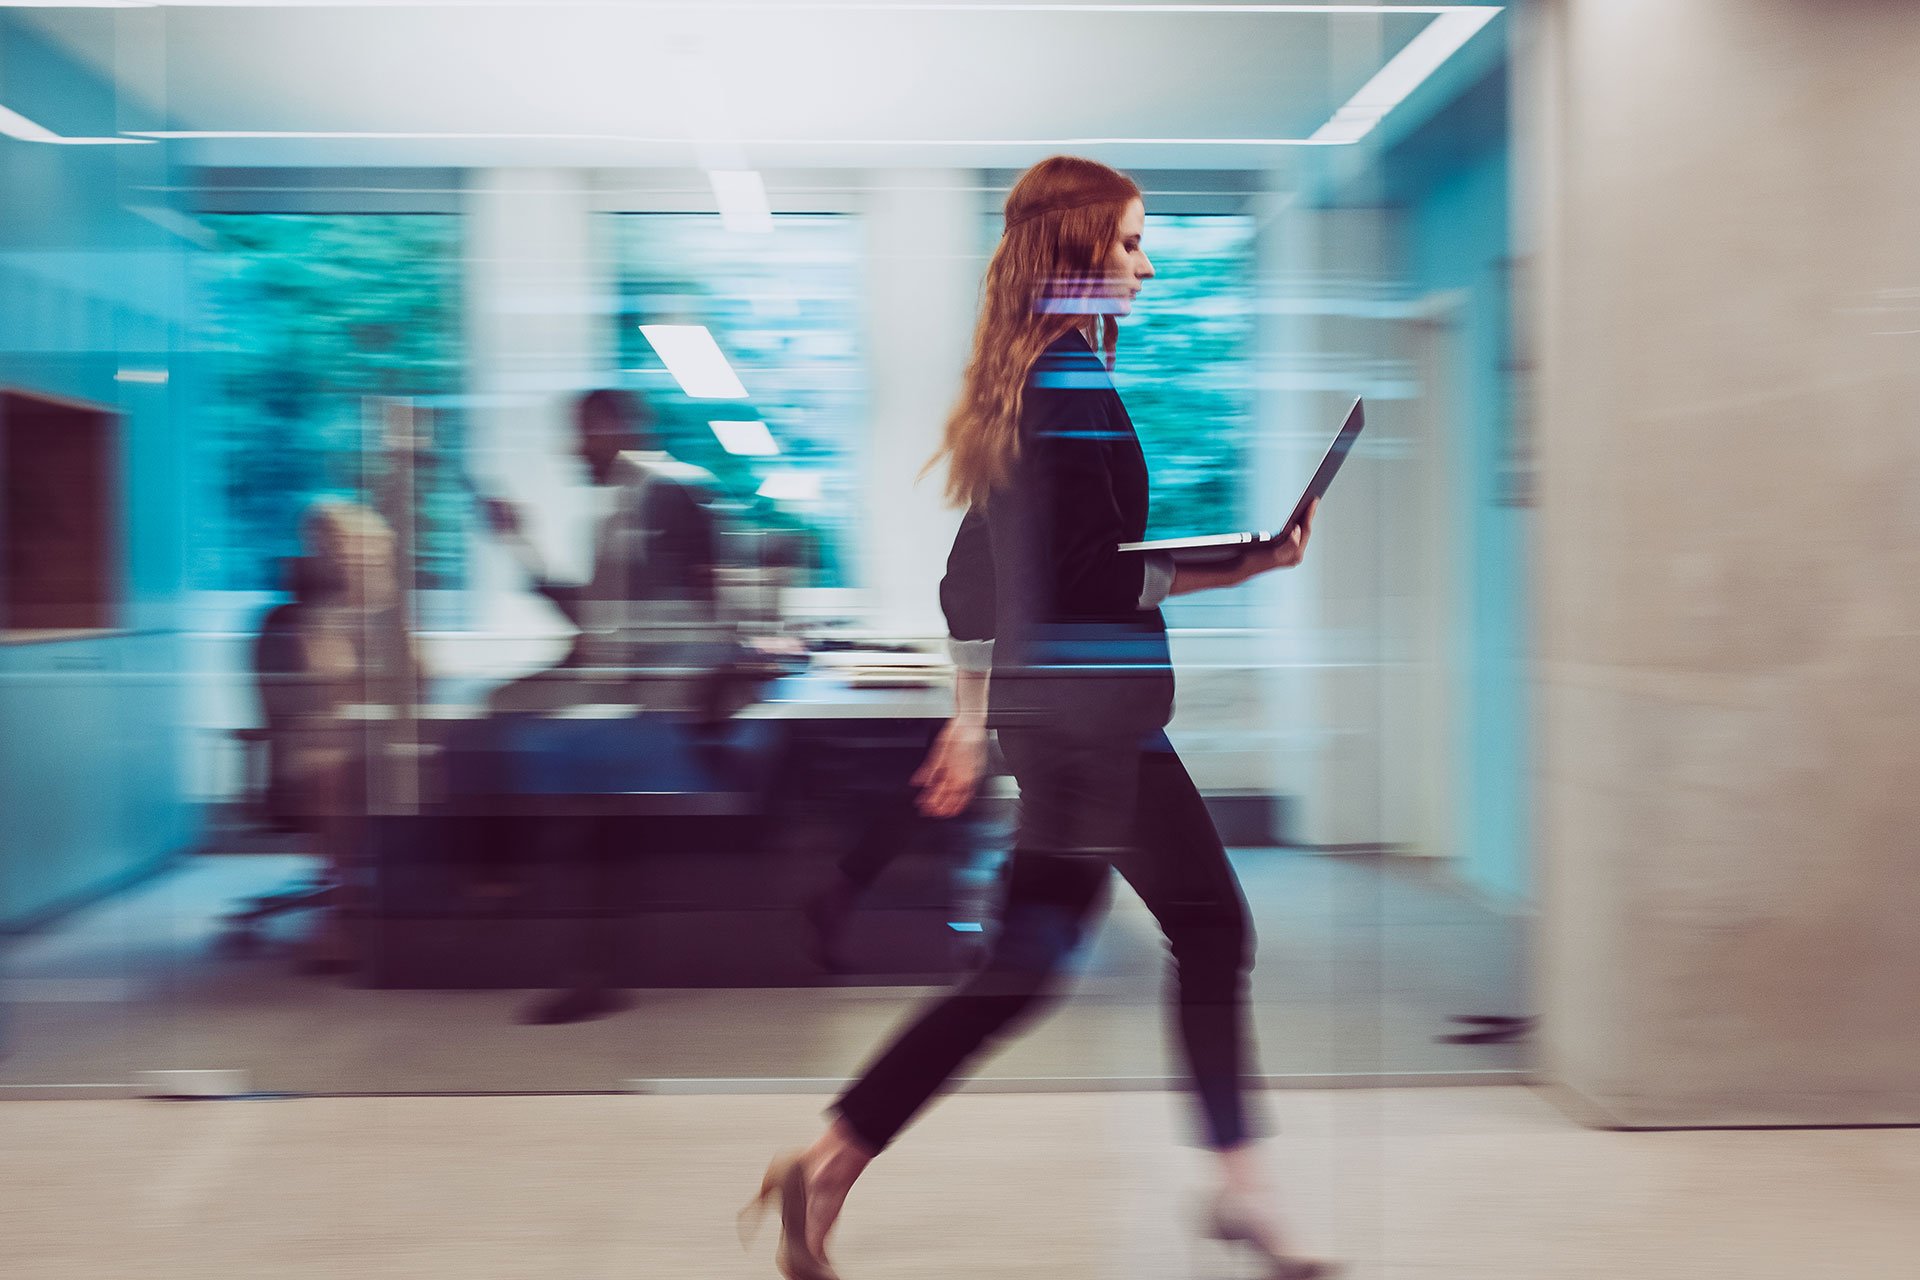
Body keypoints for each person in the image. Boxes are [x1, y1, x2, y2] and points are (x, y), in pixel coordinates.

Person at [742, 157, 1331, 1280]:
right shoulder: (1073, 394)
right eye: (1128, 245)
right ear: (1071, 255)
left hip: (1049, 721)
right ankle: (1246, 1193)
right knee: (1209, 929)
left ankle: (827, 1159)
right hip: (1099, 719)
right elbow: (1092, 583)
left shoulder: (1017, 391)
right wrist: (1245, 564)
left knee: (1019, 966)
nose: (1146, 267)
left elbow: (971, 580)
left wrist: (973, 723)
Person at [481, 387, 729, 714]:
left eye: (585, 432)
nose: (575, 449)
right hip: (637, 676)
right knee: (505, 705)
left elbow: (687, 610)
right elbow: (596, 617)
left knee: (505, 709)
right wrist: (519, 542)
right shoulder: (621, 510)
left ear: (616, 429)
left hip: (662, 682)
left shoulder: (669, 494)